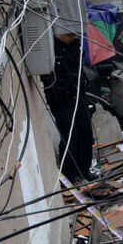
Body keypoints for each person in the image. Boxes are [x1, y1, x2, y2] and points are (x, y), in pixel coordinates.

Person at [43, 31, 95, 182]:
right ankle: (69, 174)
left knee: (85, 132)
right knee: (70, 136)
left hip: (79, 94)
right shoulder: (51, 48)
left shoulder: (75, 46)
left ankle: (84, 170)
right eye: (69, 34)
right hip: (62, 99)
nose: (72, 37)